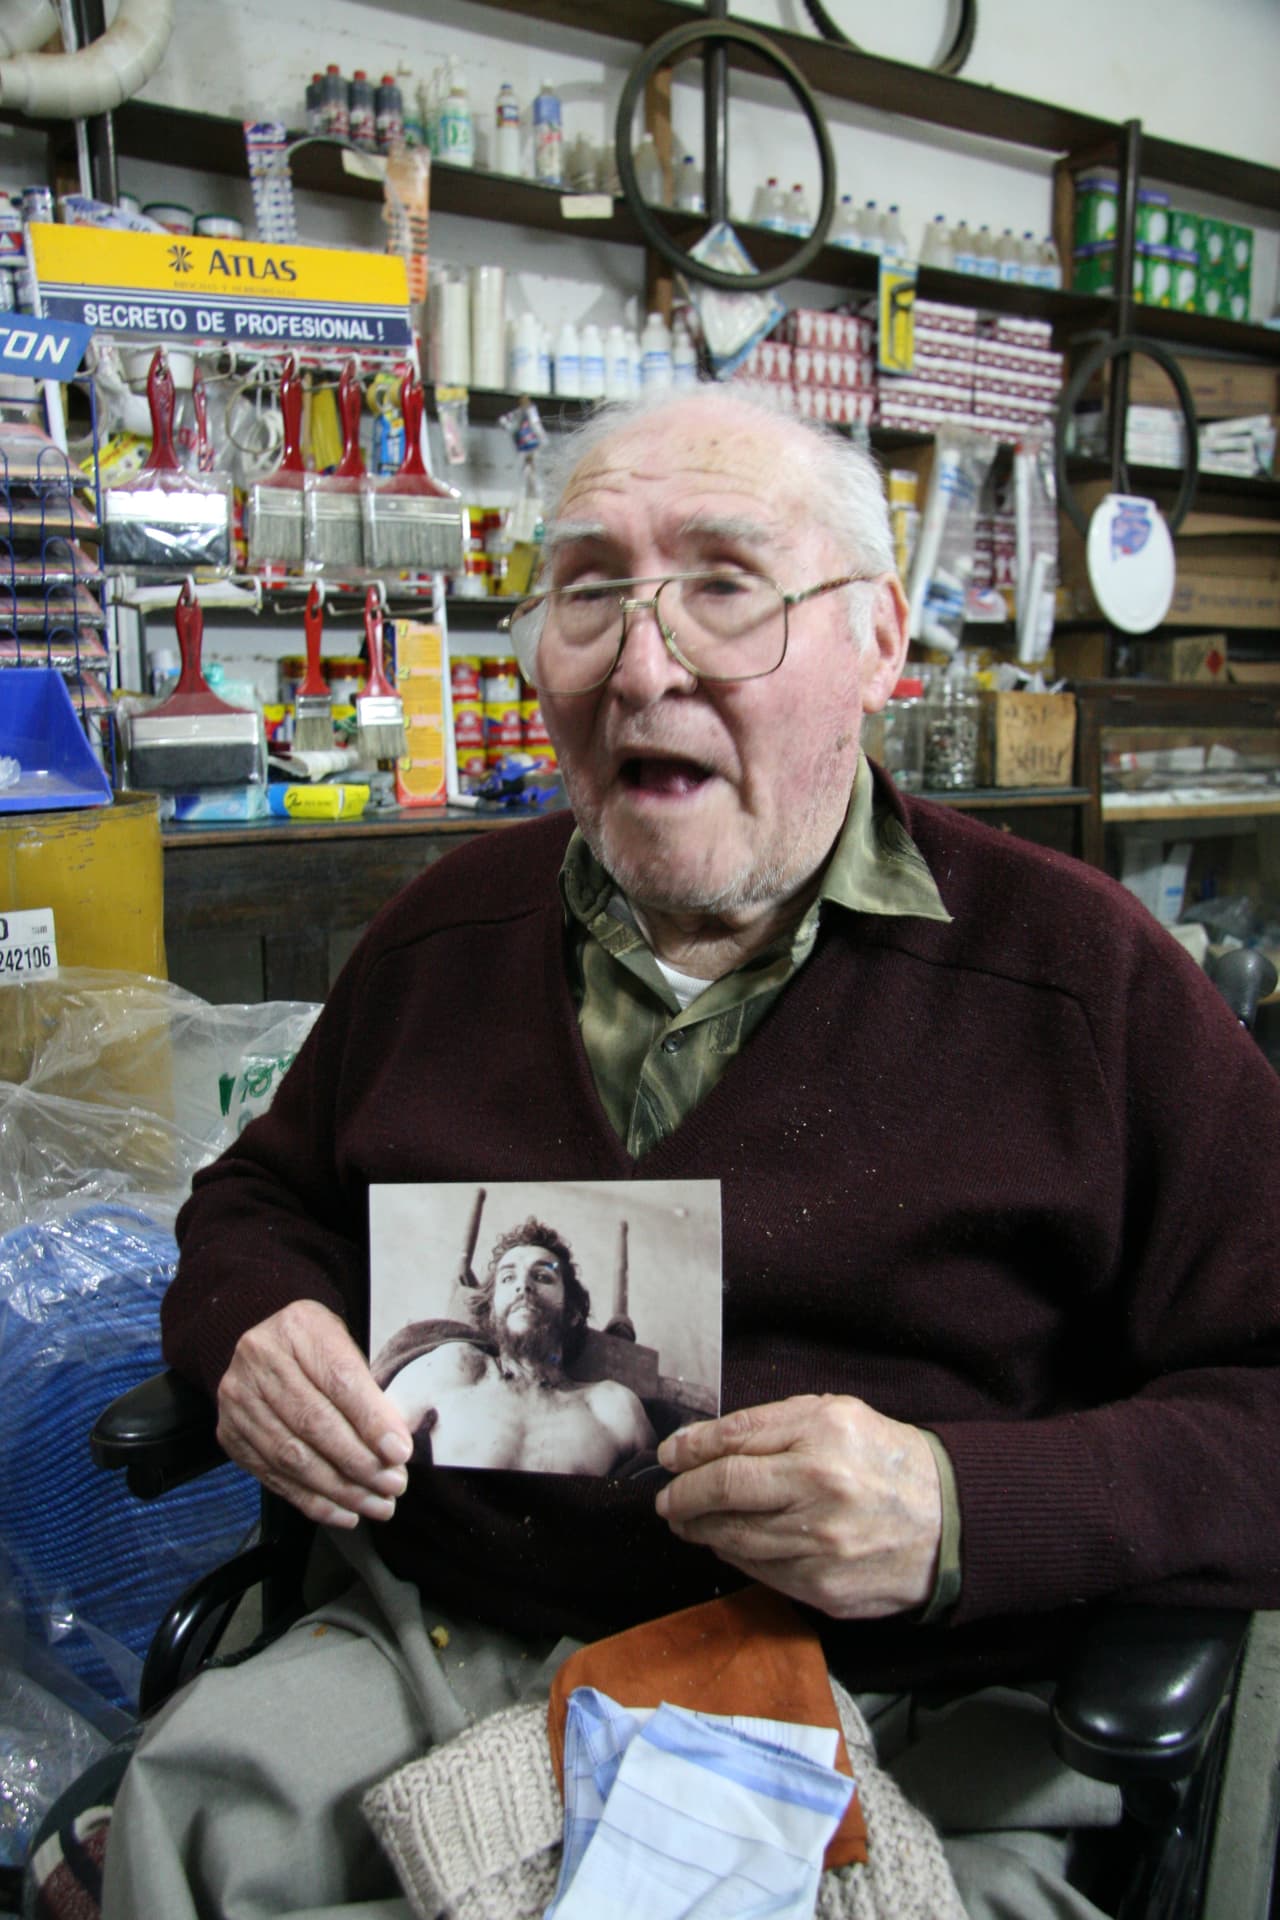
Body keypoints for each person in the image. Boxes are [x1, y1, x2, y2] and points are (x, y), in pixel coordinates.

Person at [102, 384, 1280, 1920]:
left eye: (725, 585)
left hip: (900, 1702)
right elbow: (263, 1197)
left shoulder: (1081, 983)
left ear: (878, 640)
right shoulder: (441, 938)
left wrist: (964, 1510)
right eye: (590, 592)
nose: (644, 665)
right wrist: (255, 1323)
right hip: (448, 1645)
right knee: (187, 1827)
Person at [378, 1218, 656, 1473]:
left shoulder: (613, 1405)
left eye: (543, 1276)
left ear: (572, 1312)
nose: (523, 1285)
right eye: (508, 1278)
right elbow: (372, 1439)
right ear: (490, 1312)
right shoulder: (453, 1366)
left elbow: (656, 1488)